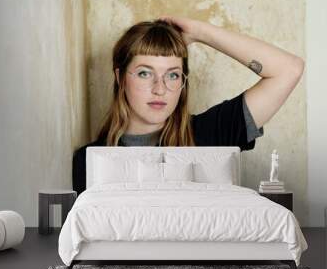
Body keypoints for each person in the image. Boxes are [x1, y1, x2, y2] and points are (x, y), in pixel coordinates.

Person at [72, 16, 305, 196]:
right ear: (121, 77)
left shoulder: (210, 133)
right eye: (145, 73)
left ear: (183, 81)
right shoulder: (90, 159)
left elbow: (289, 69)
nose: (160, 88)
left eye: (172, 75)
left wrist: (200, 32)